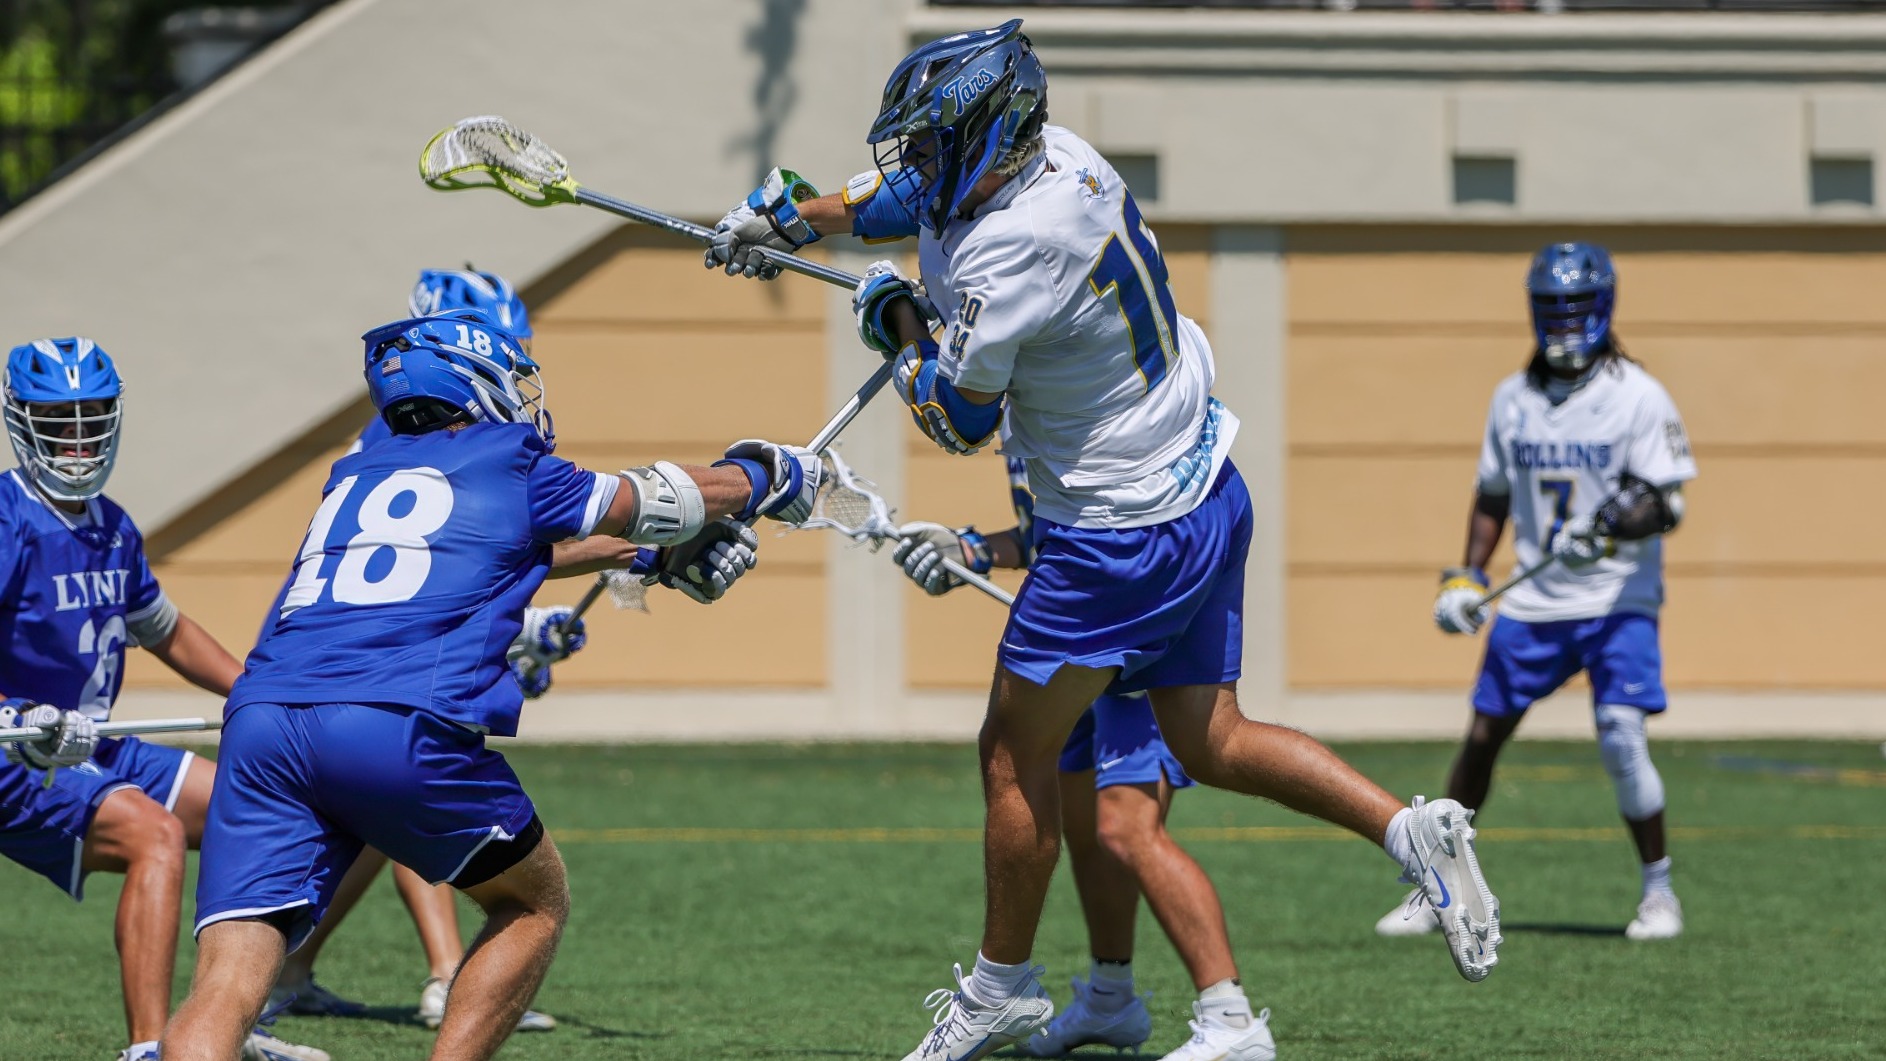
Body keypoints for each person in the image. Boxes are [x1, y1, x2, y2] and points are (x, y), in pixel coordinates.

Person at [706, 21, 1502, 1061]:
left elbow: (955, 419)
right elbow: (903, 198)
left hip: (1115, 533)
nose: (922, 164)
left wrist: (895, 317)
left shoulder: (1013, 244)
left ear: (991, 135)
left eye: (937, 143)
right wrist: (796, 219)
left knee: (1011, 750)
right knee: (1210, 737)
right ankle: (1408, 832)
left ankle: (999, 986)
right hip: (1202, 486)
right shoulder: (1053, 155)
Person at [161, 310, 814, 1061]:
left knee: (227, 984)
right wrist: (769, 475)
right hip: (391, 718)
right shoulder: (507, 454)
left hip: (263, 719)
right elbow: (652, 498)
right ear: (473, 378)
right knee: (533, 900)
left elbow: (509, 542)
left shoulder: (356, 471)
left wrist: (651, 560)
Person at [269, 267, 626, 1032]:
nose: (516, 365)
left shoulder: (394, 435)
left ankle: (282, 974)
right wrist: (637, 545)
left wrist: (527, 629)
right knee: (412, 801)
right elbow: (461, 563)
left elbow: (463, 564)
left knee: (361, 819)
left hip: (304, 683)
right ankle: (443, 974)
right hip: (375, 676)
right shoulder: (437, 441)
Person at [0, 337, 327, 1061]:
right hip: (17, 753)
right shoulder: (7, 517)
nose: (78, 439)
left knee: (274, 808)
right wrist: (19, 716)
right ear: (24, 423)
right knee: (156, 835)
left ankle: (228, 1020)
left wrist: (258, 689)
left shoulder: (112, 524)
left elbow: (166, 630)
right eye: (60, 422)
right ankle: (149, 1048)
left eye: (92, 419)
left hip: (93, 743)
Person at [892, 458, 1269, 1061]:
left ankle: (1231, 1019)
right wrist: (974, 550)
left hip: (1130, 625)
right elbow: (1048, 530)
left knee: (1128, 828)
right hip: (1075, 633)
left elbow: (1134, 516)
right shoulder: (1022, 408)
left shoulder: (1064, 380)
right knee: (1086, 830)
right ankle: (1110, 997)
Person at [1384, 241, 1695, 942]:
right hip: (1534, 600)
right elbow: (1492, 495)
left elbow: (1666, 504)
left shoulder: (1638, 394)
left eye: (1576, 307)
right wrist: (1468, 574)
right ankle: (1443, 890)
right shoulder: (1513, 397)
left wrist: (1617, 521)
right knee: (1484, 737)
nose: (1563, 321)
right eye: (1552, 307)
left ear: (1602, 308)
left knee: (1620, 735)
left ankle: (1659, 892)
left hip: (1617, 597)